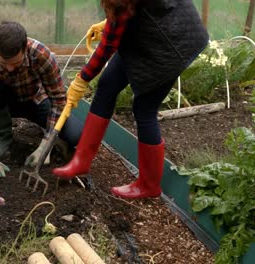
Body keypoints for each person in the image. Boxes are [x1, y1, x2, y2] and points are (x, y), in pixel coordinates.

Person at [52, 0, 209, 198]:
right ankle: (81, 160)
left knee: (144, 109)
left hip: (171, 46)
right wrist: (111, 22)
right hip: (158, 28)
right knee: (107, 85)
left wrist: (81, 80)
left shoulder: (120, 3)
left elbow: (107, 46)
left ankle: (149, 185)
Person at [0, 21, 82, 178]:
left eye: (16, 63)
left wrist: (45, 145)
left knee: (76, 135)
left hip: (36, 101)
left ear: (25, 49)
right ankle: (3, 138)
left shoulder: (41, 55)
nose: (10, 68)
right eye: (4, 63)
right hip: (5, 104)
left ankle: (52, 140)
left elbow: (58, 100)